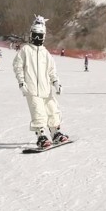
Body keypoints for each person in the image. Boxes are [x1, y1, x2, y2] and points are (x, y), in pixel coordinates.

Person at [13, 15, 68, 148]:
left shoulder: (45, 53)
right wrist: (21, 82)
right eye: (35, 35)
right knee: (38, 113)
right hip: (32, 89)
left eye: (40, 36)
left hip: (46, 89)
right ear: (31, 35)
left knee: (52, 110)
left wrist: (55, 82)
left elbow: (51, 70)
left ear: (43, 37)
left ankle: (56, 133)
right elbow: (17, 66)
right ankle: (41, 136)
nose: (37, 38)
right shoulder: (25, 50)